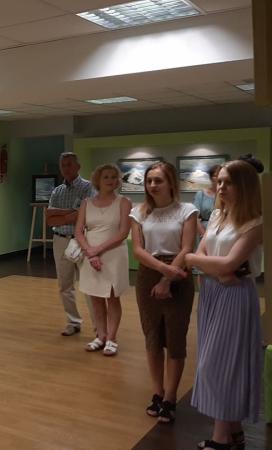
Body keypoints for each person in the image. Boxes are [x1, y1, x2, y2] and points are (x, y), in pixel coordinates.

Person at [185, 157, 264, 450]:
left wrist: (197, 261)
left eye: (228, 182)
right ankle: (234, 432)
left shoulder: (255, 222)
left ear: (244, 185)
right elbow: (202, 255)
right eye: (219, 182)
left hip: (235, 296)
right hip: (211, 292)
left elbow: (227, 262)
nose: (220, 187)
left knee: (218, 365)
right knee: (217, 362)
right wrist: (212, 267)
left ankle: (220, 440)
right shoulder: (219, 215)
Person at [129, 161, 198, 425]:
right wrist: (162, 271)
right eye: (149, 181)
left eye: (158, 180)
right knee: (152, 336)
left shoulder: (187, 210)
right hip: (149, 274)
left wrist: (168, 279)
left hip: (179, 273)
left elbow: (187, 247)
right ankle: (157, 393)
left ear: (171, 182)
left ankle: (170, 397)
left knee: (176, 338)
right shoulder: (139, 212)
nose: (152, 185)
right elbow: (138, 250)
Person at [74, 164, 131, 356]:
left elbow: (123, 233)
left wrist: (96, 251)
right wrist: (90, 253)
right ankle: (101, 335)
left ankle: (112, 338)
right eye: (106, 177)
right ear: (97, 180)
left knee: (112, 297)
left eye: (114, 177)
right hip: (90, 256)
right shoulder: (86, 203)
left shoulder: (124, 202)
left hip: (113, 255)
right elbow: (78, 231)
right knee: (95, 297)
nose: (110, 180)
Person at [46, 152, 94, 336]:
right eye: (63, 165)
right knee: (64, 285)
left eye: (69, 164)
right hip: (60, 240)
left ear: (78, 167)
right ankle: (73, 322)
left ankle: (99, 328)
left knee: (89, 285)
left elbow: (85, 214)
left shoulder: (88, 187)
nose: (66, 168)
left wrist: (62, 215)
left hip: (81, 241)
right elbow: (50, 219)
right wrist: (72, 213)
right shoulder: (57, 191)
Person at [193, 165, 221, 237]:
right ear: (211, 177)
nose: (218, 178)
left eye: (220, 175)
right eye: (216, 176)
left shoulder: (225, 194)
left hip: (222, 230)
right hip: (205, 229)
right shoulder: (201, 194)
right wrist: (203, 234)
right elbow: (195, 217)